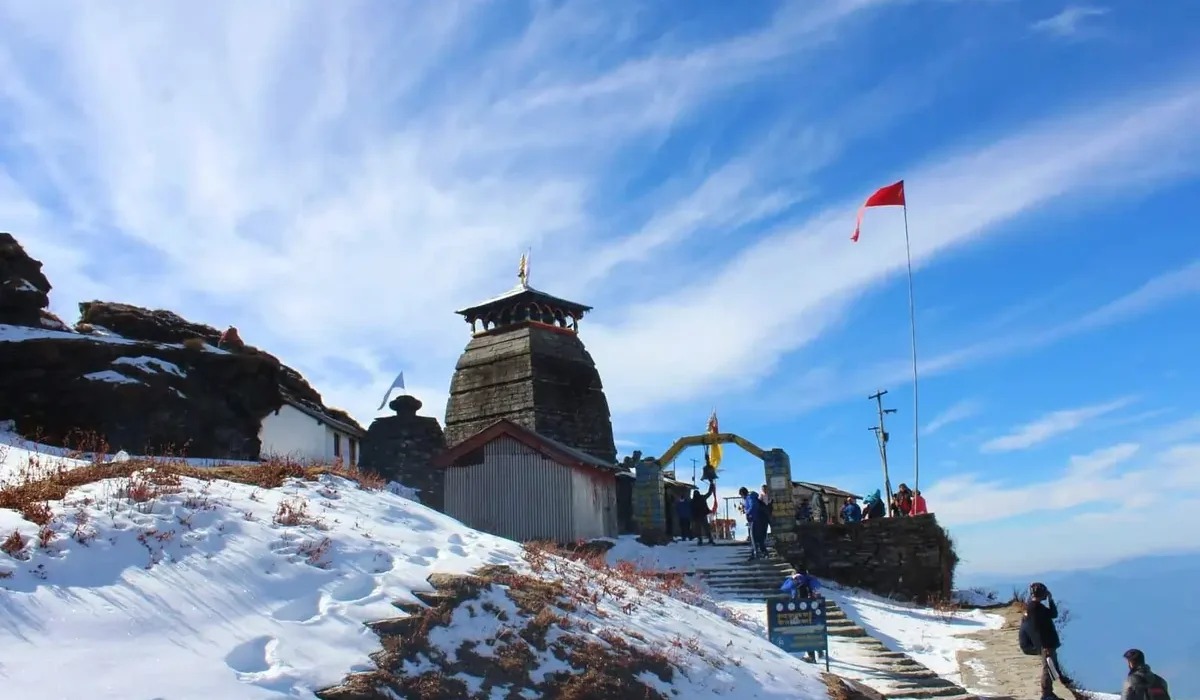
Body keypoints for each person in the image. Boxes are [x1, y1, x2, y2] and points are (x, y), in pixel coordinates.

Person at [1019, 582, 1071, 700]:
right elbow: (1050, 617)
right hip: (1045, 644)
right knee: (1047, 668)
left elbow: (1051, 615)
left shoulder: (1032, 607)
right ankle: (1047, 694)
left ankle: (1058, 681)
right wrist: (1044, 646)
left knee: (1052, 664)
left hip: (1044, 643)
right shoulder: (1036, 608)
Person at [781, 571, 824, 662]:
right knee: (812, 629)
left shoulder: (794, 581)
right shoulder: (809, 579)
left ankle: (811, 656)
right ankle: (820, 649)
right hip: (812, 607)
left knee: (805, 632)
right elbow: (818, 586)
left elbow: (784, 588)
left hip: (801, 609)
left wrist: (791, 579)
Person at [746, 491, 770, 560]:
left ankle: (755, 554)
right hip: (762, 521)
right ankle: (763, 553)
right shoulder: (757, 499)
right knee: (760, 538)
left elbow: (753, 506)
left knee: (753, 537)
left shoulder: (750, 497)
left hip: (756, 520)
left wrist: (748, 513)